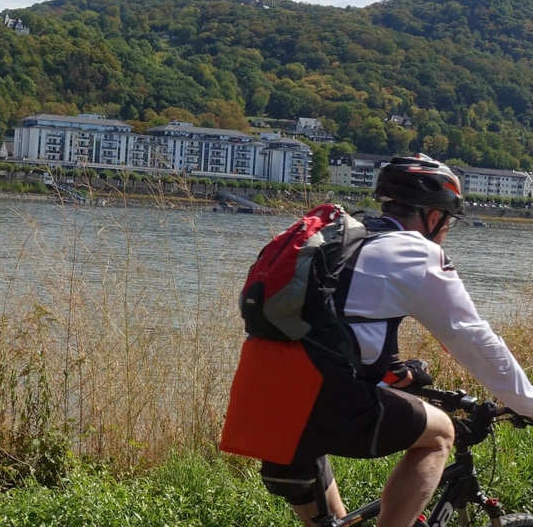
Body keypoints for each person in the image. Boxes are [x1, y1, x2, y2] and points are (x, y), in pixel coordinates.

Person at [219, 153, 533, 527]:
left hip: (259, 399)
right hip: (319, 400)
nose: (447, 230)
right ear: (434, 217)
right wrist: (528, 403)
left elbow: (332, 330)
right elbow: (475, 341)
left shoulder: (344, 240)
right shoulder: (419, 253)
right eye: (449, 221)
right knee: (439, 435)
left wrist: (395, 375)